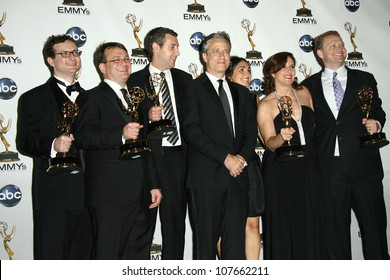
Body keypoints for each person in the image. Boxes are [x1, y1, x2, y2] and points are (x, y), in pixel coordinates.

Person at [301, 30, 389, 259]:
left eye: (341, 44)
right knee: (334, 234)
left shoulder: (365, 79)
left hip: (364, 166)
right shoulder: (307, 86)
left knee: (375, 230)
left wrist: (376, 124)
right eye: (333, 46)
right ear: (319, 53)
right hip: (329, 169)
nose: (340, 49)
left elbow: (377, 110)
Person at [74, 42, 162, 259]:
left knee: (137, 257)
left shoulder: (137, 99)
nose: (124, 64)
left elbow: (145, 144)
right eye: (116, 60)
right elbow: (84, 137)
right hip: (109, 195)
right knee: (109, 256)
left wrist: (153, 183)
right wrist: (120, 134)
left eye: (126, 59)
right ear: (102, 67)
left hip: (141, 194)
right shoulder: (92, 97)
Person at [181, 32, 257, 260]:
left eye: (226, 51)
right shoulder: (191, 89)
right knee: (205, 246)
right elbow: (191, 131)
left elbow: (250, 133)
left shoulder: (242, 93)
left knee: (235, 247)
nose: (222, 56)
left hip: (238, 178)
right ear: (204, 56)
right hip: (206, 178)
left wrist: (240, 160)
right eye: (216, 51)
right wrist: (226, 158)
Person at [16, 34, 92, 259]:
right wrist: (53, 145)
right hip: (53, 192)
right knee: (52, 258)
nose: (72, 58)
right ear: (50, 60)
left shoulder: (93, 98)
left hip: (89, 192)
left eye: (76, 52)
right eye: (65, 53)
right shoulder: (33, 98)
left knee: (86, 259)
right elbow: (25, 141)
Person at [127, 27, 193, 260]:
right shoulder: (133, 81)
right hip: (146, 160)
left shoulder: (185, 80)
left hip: (178, 159)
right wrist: (148, 119)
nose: (178, 51)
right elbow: (127, 123)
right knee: (142, 226)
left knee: (175, 226)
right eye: (172, 46)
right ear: (156, 47)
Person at [257, 51, 327, 259]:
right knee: (285, 225)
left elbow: (314, 131)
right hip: (281, 170)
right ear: (271, 72)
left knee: (311, 221)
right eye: (283, 67)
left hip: (309, 166)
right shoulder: (266, 104)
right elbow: (269, 143)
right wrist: (281, 137)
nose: (289, 71)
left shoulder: (304, 92)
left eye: (292, 66)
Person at [224, 56, 264, 260]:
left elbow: (257, 134)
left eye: (248, 70)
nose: (247, 74)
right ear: (228, 74)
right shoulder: (216, 98)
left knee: (253, 222)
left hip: (250, 164)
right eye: (241, 70)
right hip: (222, 166)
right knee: (224, 226)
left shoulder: (253, 98)